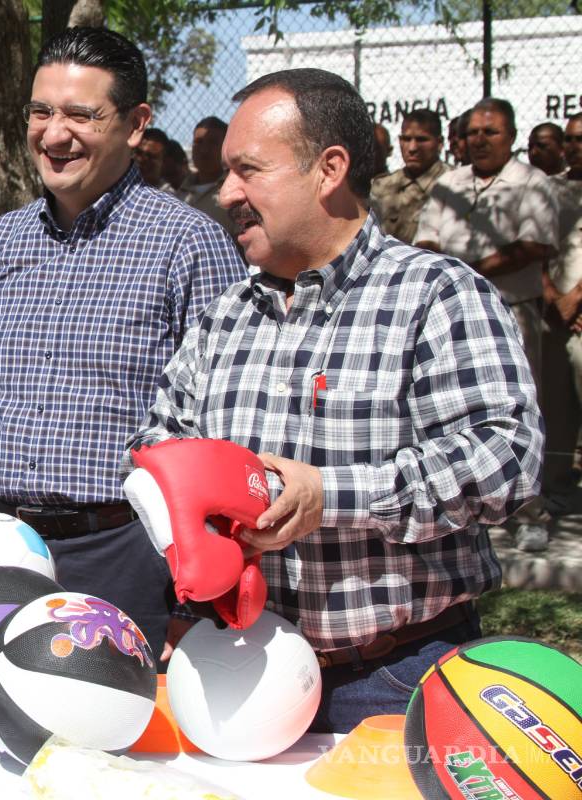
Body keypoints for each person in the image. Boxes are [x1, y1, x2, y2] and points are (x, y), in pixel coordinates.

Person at [131, 68, 541, 733]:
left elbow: (508, 462)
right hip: (236, 673)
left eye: (248, 170)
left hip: (394, 679)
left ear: (329, 169)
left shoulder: (436, 296)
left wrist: (330, 495)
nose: (226, 191)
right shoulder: (222, 319)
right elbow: (157, 450)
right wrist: (192, 528)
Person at [0, 27, 246, 660]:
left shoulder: (189, 245)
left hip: (125, 557)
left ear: (136, 124)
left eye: (81, 114)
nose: (53, 134)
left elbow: (218, 435)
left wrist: (192, 597)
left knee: (115, 752)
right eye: (41, 112)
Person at [414, 97, 558, 552]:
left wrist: (464, 270)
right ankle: (468, 509)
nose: (479, 140)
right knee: (450, 412)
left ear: (512, 136)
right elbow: (426, 240)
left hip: (513, 309)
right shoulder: (447, 184)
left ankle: (530, 512)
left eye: (490, 132)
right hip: (445, 313)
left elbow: (533, 245)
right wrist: (450, 273)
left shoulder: (531, 183)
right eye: (473, 132)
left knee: (518, 412)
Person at [540, 112, 582, 519]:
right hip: (554, 315)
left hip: (578, 312)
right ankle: (557, 488)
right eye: (570, 139)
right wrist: (554, 298)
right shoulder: (550, 188)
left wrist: (576, 299)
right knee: (555, 407)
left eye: (580, 139)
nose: (573, 146)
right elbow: (538, 247)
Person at [369, 109, 448, 244]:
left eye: (421, 140)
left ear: (439, 143)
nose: (412, 148)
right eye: (406, 139)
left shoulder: (452, 185)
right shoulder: (381, 186)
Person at [177, 116, 235, 236]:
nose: (204, 150)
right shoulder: (180, 192)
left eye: (213, 142)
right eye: (198, 142)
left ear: (226, 147)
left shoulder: (234, 193)